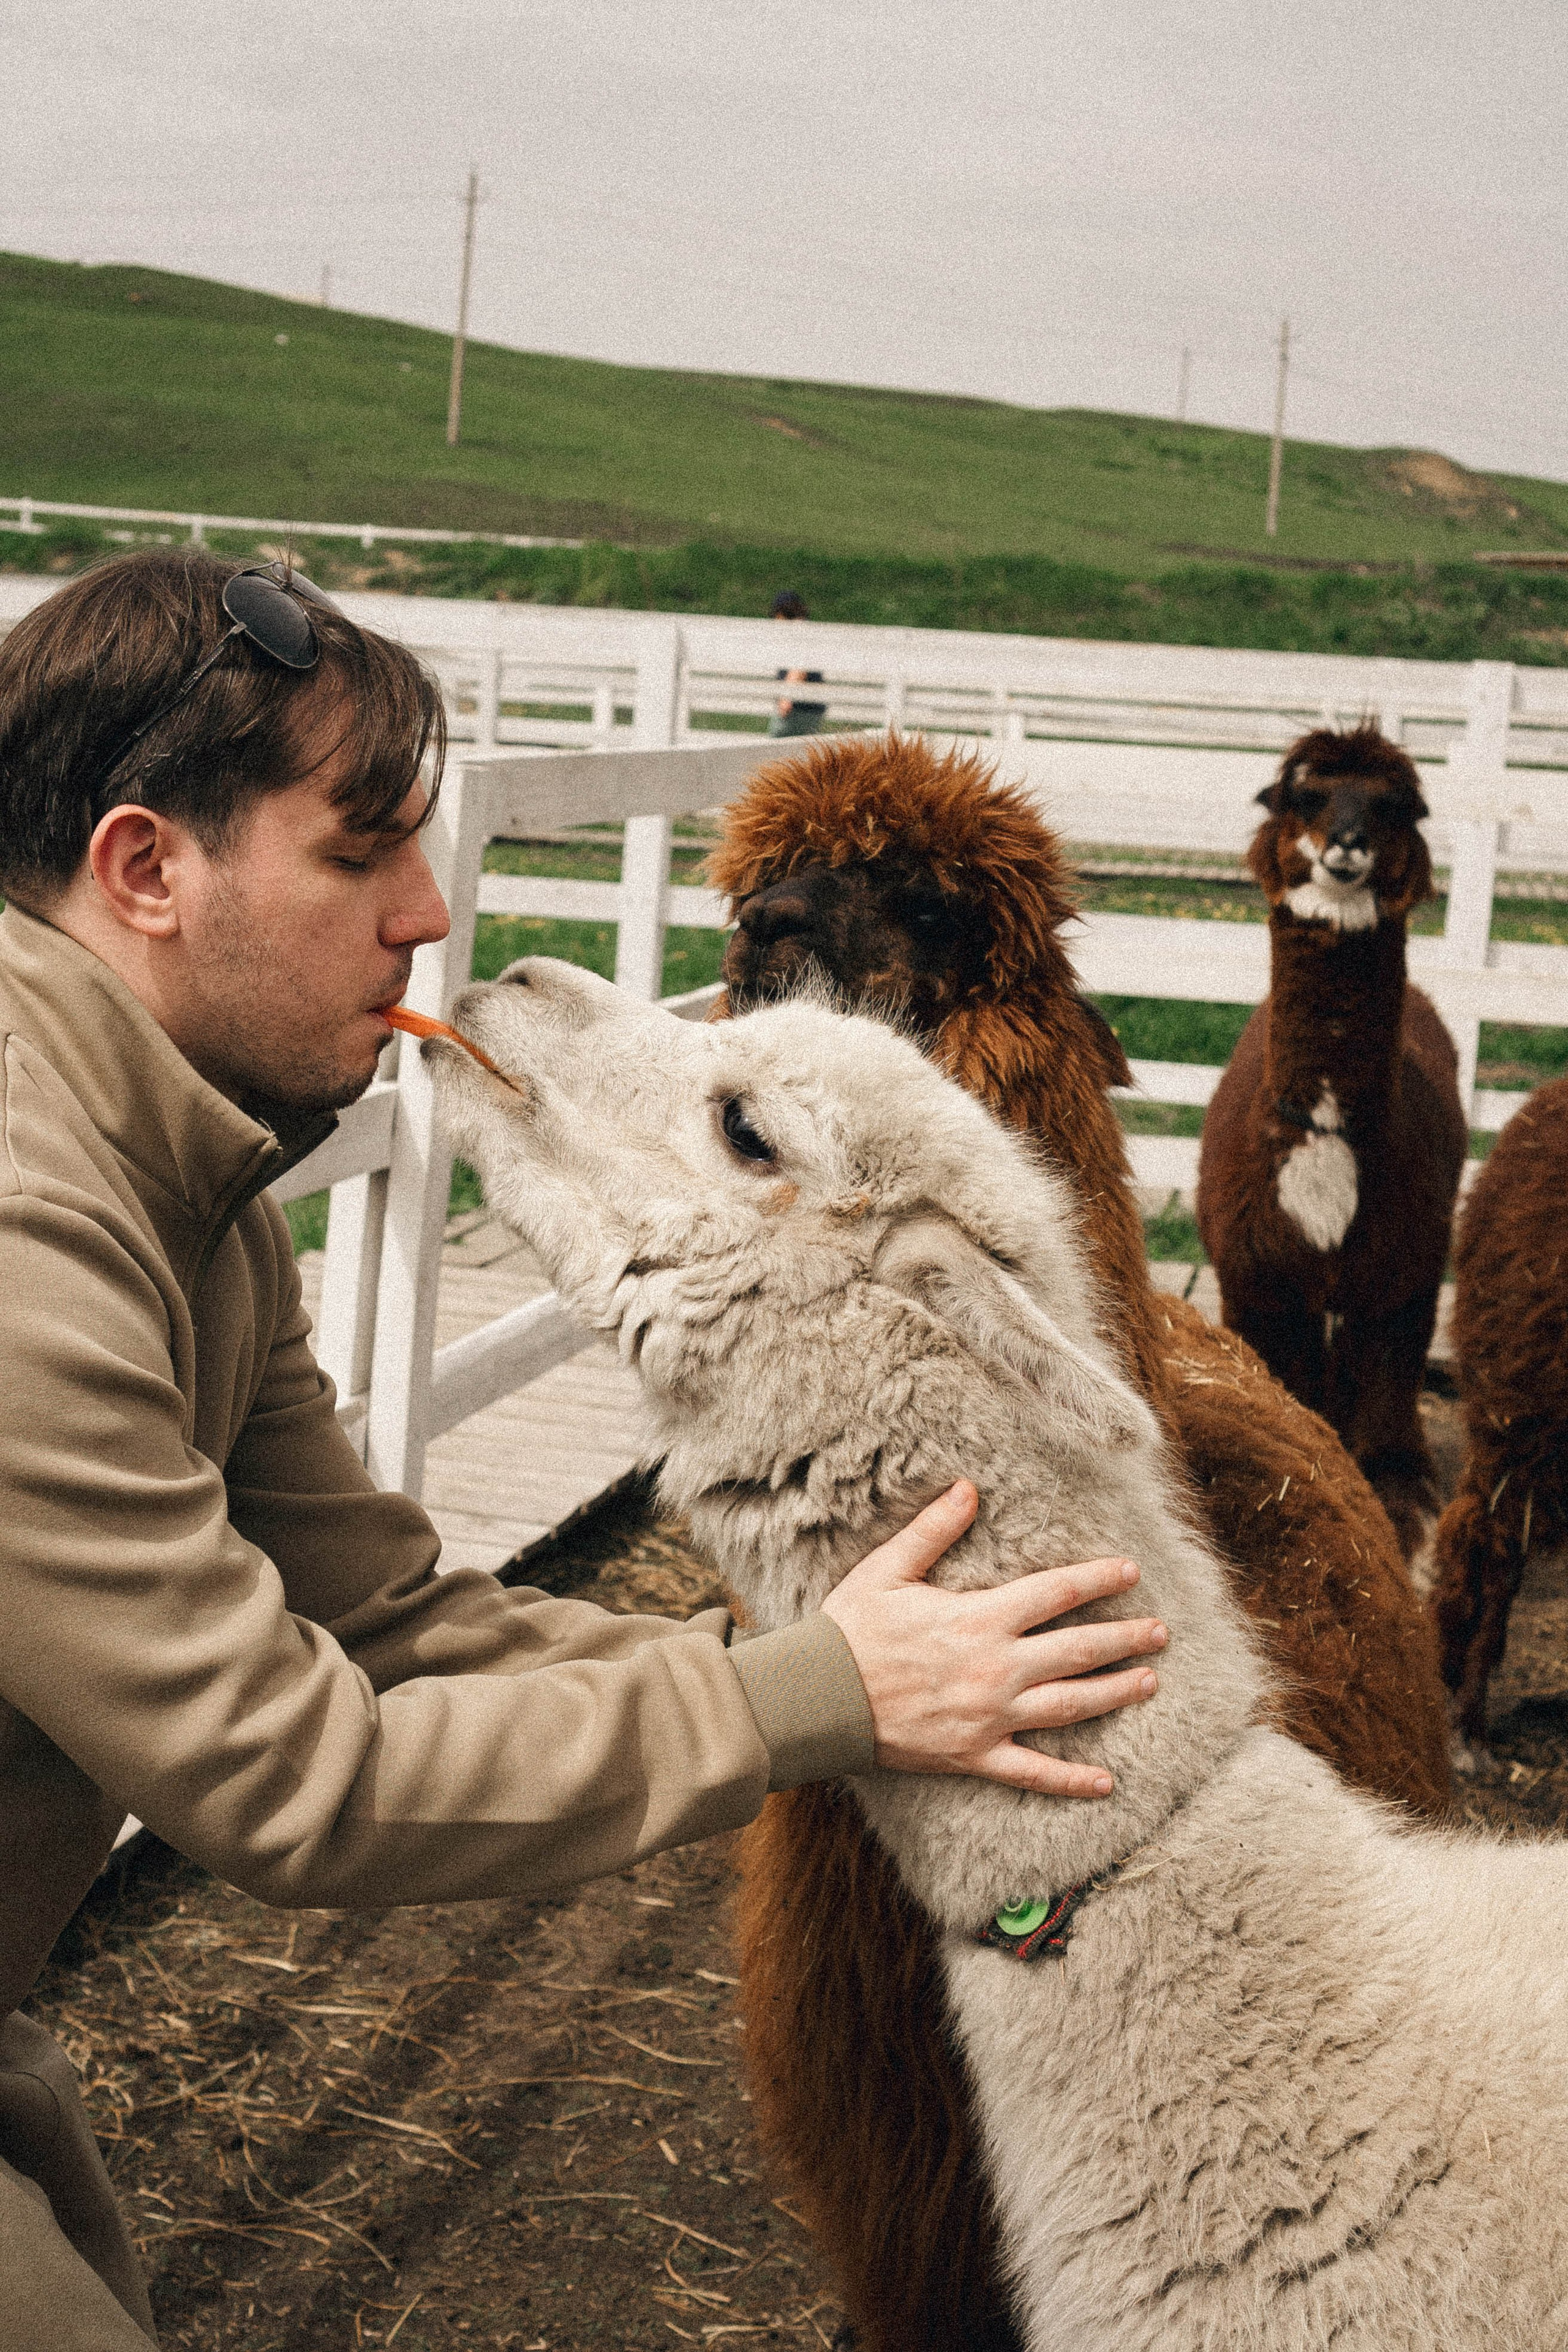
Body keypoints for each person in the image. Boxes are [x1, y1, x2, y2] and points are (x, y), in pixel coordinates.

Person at [0, 551, 1168, 2348]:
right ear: (146, 868)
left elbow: (393, 1620)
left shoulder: (190, 1192)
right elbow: (283, 1768)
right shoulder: (27, 1226)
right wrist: (810, 1700)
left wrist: (834, 1688)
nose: (423, 913)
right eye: (358, 849)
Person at [767, 588, 827, 736]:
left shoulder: (798, 632)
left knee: (775, 748)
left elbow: (799, 666)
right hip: (810, 707)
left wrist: (787, 697)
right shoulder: (805, 631)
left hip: (798, 708)